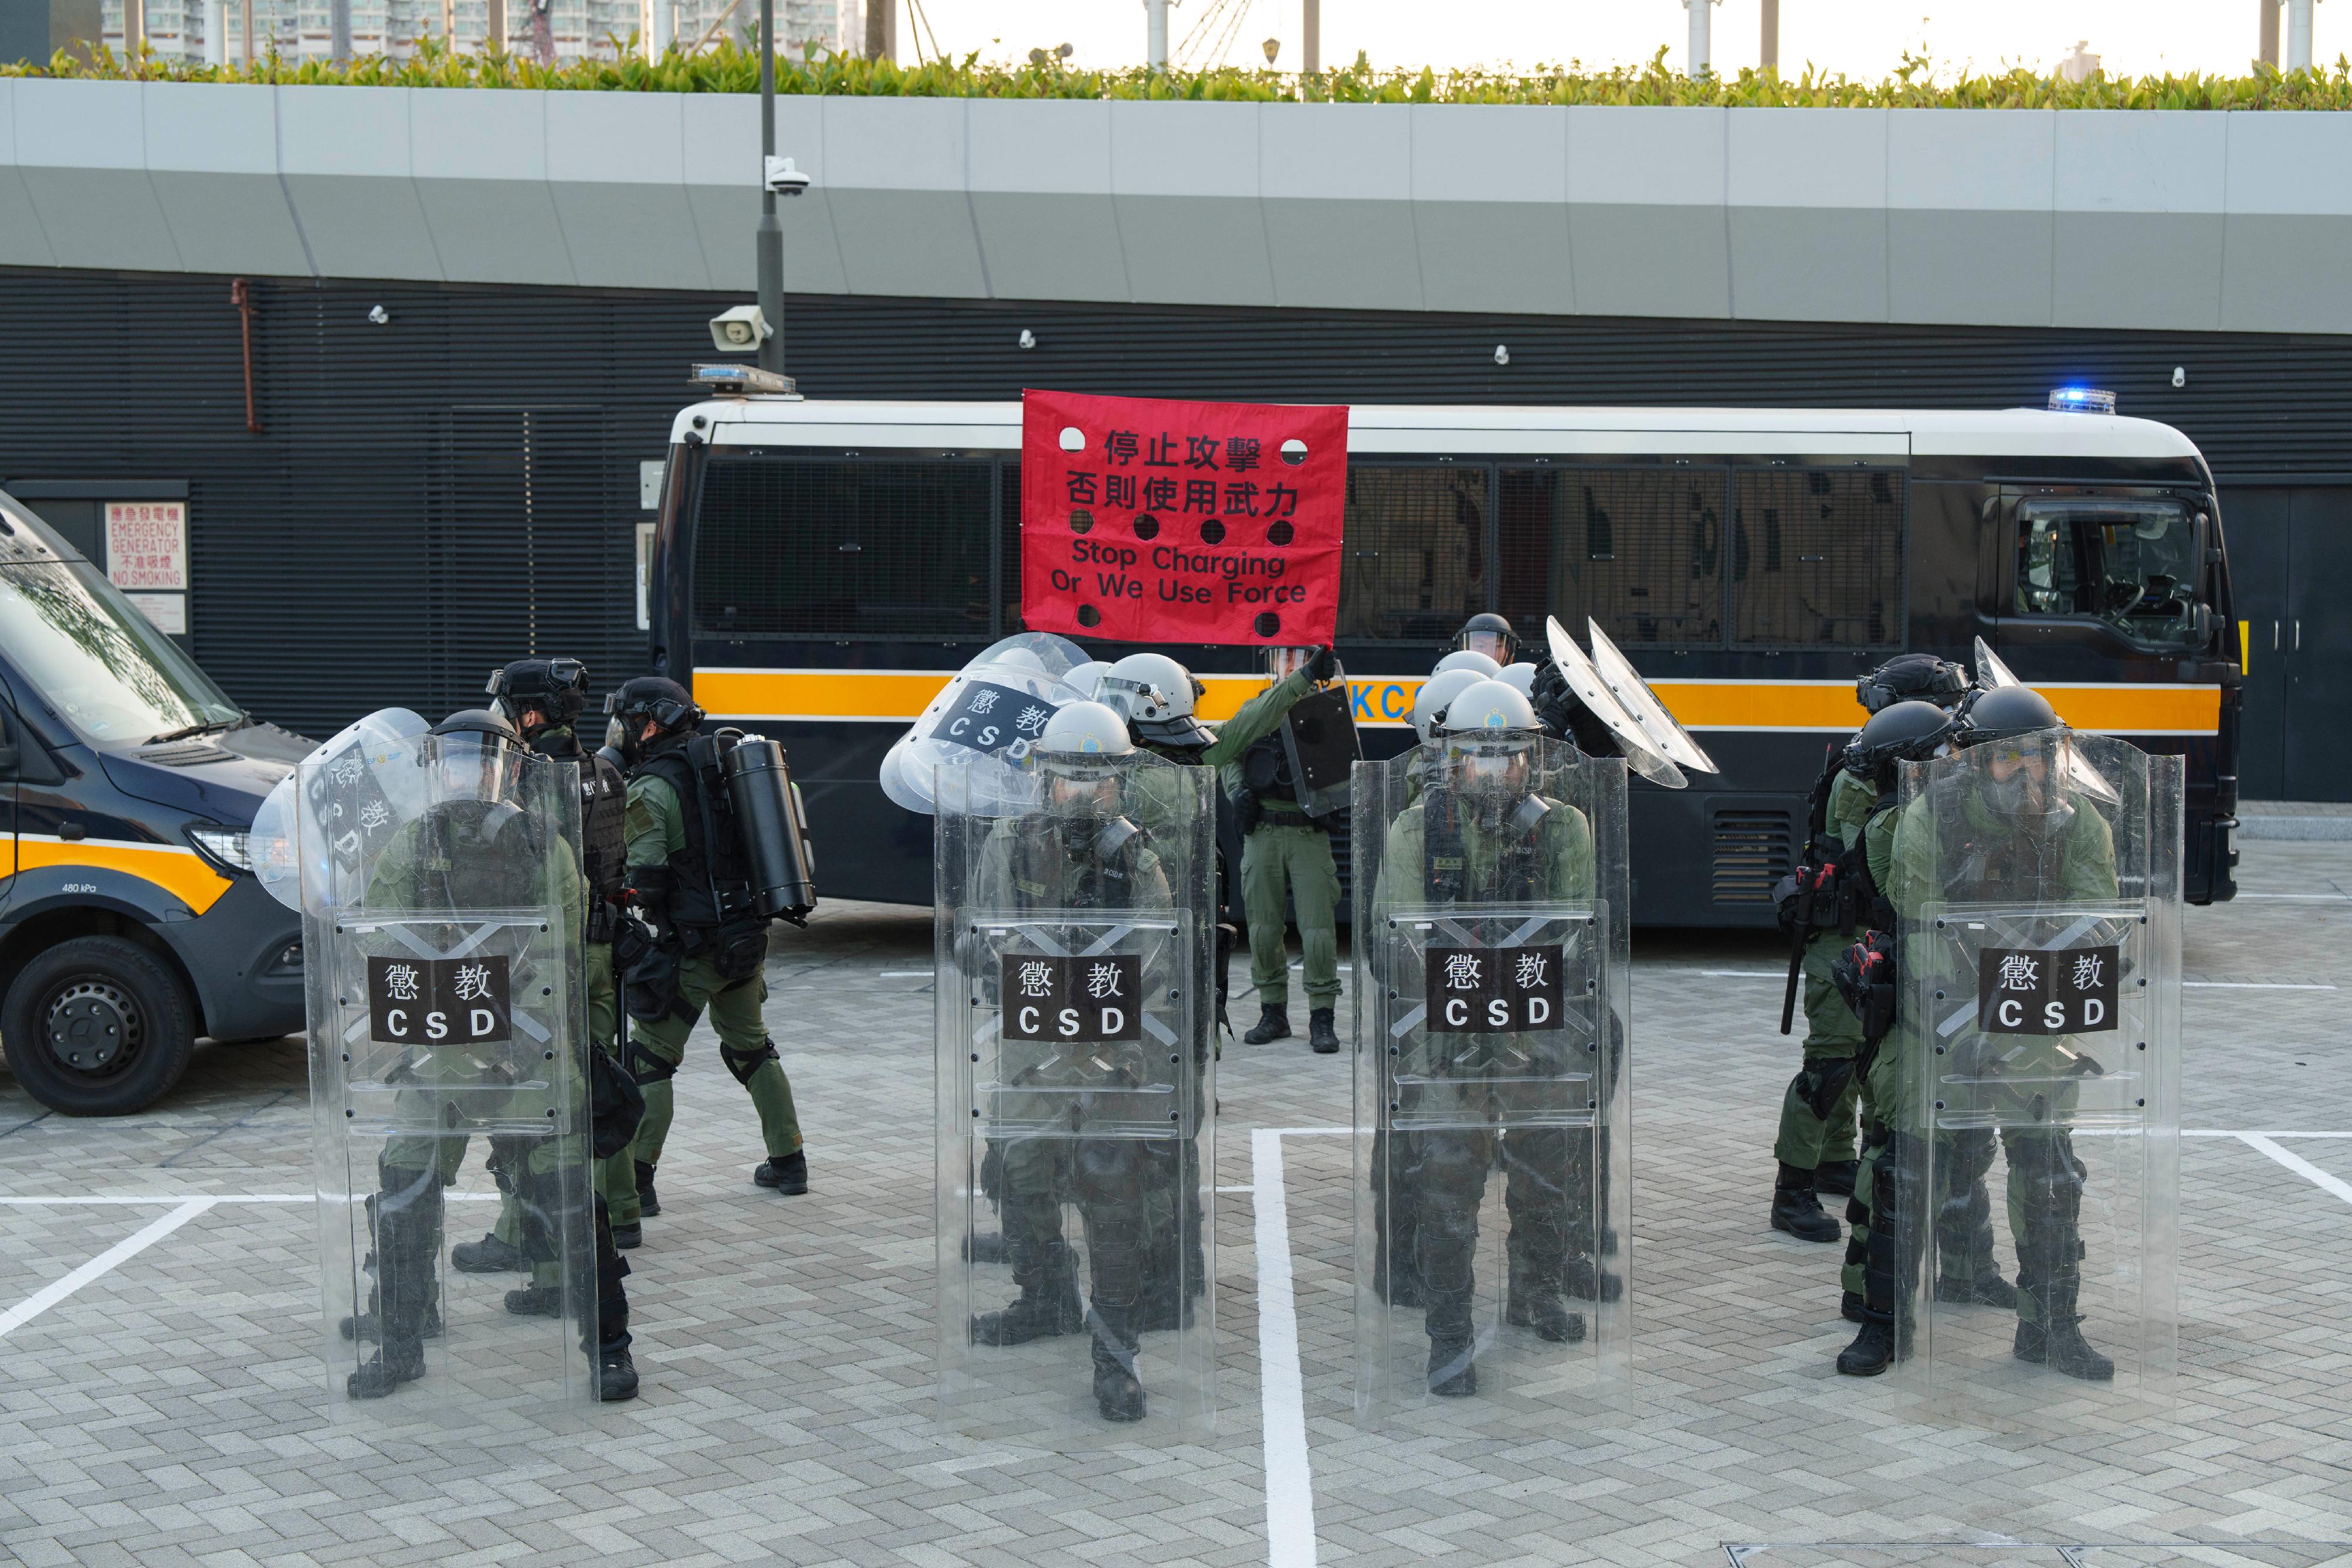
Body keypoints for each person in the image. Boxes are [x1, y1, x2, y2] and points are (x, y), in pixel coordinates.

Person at [343, 708, 637, 1402]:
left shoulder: (543, 843)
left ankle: (608, 1348)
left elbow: (561, 950)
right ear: (436, 769)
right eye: (455, 760)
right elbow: (377, 941)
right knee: (403, 1194)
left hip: (525, 1048)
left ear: (508, 769)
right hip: (441, 1045)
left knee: (569, 1200)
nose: (468, 772)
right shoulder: (411, 843)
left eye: (483, 759)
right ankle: (401, 1339)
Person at [1836, 685, 2117, 1380]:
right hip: (1938, 1005)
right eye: (2010, 758)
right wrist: (1964, 1029)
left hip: (2026, 1005)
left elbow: (2096, 926)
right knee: (1904, 1160)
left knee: (2050, 1170)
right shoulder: (1928, 817)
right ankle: (1884, 1323)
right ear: (1970, 762)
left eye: (2041, 755)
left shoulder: (2080, 824)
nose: (2030, 772)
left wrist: (2025, 1015)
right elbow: (1920, 923)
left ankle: (2050, 1327)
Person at [963, 701, 1198, 1422]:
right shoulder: (1010, 841)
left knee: (1115, 1192)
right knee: (1017, 1172)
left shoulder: (1138, 854)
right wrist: (993, 960)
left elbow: (1157, 957)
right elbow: (981, 934)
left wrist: (1108, 1025)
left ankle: (1115, 1356)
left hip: (1115, 1050)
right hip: (1032, 1046)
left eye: (1099, 780)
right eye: (1070, 778)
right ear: (1044, 780)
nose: (1085, 793)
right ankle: (1045, 1296)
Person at [1369, 679, 1596, 1397]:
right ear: (1449, 760)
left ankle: (1536, 1293)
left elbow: (1575, 936)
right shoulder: (1415, 828)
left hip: (1536, 1028)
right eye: (1478, 757)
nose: (1495, 772)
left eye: (1509, 756)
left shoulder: (1562, 827)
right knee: (1446, 1187)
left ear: (1531, 759)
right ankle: (1449, 1335)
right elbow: (1394, 944)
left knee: (1545, 1177)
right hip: (1444, 1033)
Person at [1769, 655, 1973, 1248]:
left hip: (1868, 938)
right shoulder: (1867, 774)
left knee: (1866, 1065)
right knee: (1831, 1067)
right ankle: (1792, 1190)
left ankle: (1838, 1161)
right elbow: (1879, 864)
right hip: (1844, 942)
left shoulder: (1894, 760)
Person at [453, 658, 640, 1265]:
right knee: (593, 1083)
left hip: (547, 960)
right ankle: (622, 1211)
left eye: (509, 708)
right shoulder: (603, 772)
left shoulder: (527, 780)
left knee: (536, 1101)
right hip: (600, 953)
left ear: (529, 714)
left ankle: (519, 1235)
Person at [607, 676, 807, 1203]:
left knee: (650, 1060)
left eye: (628, 722)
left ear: (649, 725)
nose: (623, 732)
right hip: (745, 940)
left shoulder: (652, 786)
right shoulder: (727, 770)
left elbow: (645, 878)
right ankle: (790, 1161)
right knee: (752, 1050)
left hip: (692, 948)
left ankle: (639, 1181)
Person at [1214, 646, 1347, 1053]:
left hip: (1307, 831)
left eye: (1299, 657)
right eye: (1283, 657)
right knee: (1263, 927)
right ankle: (1274, 1012)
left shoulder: (1326, 710)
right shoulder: (1257, 710)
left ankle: (1322, 1015)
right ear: (1272, 662)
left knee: (1319, 929)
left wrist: (1330, 797)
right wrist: (1237, 794)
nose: (1290, 665)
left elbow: (1344, 762)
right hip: (1263, 830)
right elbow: (1229, 754)